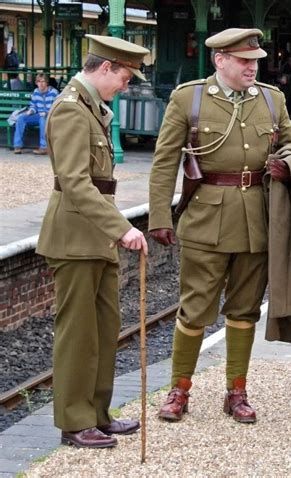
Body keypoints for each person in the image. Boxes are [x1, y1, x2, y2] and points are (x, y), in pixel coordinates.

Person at [148, 28, 291, 424]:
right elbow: (164, 162)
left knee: (245, 310)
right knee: (194, 310)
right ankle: (179, 390)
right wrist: (159, 215)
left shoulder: (272, 99)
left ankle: (237, 391)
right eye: (245, 61)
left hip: (258, 222)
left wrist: (288, 166)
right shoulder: (189, 98)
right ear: (220, 60)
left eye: (256, 61)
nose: (253, 67)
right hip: (205, 220)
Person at [36, 34, 149, 449]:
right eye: (122, 76)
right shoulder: (70, 110)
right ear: (104, 68)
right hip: (74, 238)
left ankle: (97, 414)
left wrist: (112, 229)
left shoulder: (90, 108)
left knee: (103, 330)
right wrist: (121, 227)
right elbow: (75, 182)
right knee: (78, 334)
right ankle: (74, 421)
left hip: (95, 237)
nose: (124, 86)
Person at [13, 73, 58, 155]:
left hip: (50, 117)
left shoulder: (54, 92)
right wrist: (30, 111)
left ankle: (44, 147)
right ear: (36, 83)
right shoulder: (36, 91)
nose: (40, 83)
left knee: (42, 119)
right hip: (39, 115)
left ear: (47, 82)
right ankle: (17, 146)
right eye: (38, 81)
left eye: (43, 81)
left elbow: (56, 108)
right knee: (21, 118)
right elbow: (33, 105)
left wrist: (46, 112)